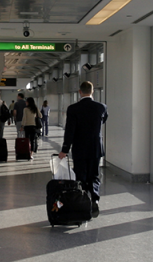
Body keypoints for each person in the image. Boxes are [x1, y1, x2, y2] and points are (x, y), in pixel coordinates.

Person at [58, 81, 108, 218]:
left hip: (79, 148)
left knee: (80, 176)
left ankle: (84, 200)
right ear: (92, 91)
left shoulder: (73, 109)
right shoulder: (101, 107)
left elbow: (70, 131)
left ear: (80, 92)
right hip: (95, 148)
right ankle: (95, 199)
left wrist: (65, 149)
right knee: (94, 175)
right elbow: (103, 120)